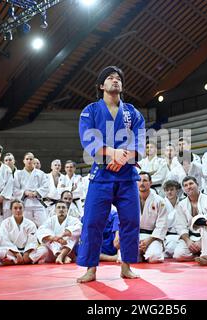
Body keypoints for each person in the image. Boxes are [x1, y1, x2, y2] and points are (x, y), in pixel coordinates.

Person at [77, 66, 145, 283]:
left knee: (131, 221)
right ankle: (90, 268)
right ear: (101, 85)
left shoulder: (132, 112)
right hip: (102, 174)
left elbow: (140, 139)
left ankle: (126, 266)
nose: (115, 81)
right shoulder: (90, 110)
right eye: (110, 78)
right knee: (93, 221)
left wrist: (124, 157)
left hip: (126, 175)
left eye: (118, 79)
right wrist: (113, 153)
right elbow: (88, 138)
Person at [173, 176, 207, 261]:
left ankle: (204, 253)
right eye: (186, 185)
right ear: (183, 189)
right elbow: (180, 226)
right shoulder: (181, 204)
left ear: (197, 185)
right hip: (190, 237)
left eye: (191, 184)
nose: (189, 187)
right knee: (178, 255)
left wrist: (202, 241)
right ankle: (198, 256)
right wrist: (188, 241)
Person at [0, 200, 48, 265]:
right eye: (15, 208)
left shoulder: (30, 224)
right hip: (12, 252)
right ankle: (22, 260)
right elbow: (3, 239)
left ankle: (16, 261)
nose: (18, 210)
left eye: (20, 208)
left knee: (44, 249)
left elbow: (32, 240)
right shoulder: (5, 223)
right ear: (11, 210)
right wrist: (16, 253)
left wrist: (27, 252)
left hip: (27, 252)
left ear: (23, 209)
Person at [133, 172, 168, 263]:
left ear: (151, 183)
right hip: (135, 235)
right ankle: (140, 254)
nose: (141, 183)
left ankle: (151, 251)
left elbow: (162, 224)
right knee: (124, 258)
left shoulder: (159, 200)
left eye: (145, 180)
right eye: (139, 180)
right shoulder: (131, 199)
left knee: (154, 257)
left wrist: (149, 240)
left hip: (152, 237)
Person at [13, 152, 49, 227]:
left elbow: (46, 186)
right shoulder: (18, 173)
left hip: (37, 203)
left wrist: (37, 192)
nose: (29, 161)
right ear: (24, 161)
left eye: (31, 159)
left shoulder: (40, 173)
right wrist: (24, 192)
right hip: (25, 203)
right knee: (26, 226)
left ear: (33, 161)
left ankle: (42, 239)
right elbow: (15, 188)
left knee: (43, 225)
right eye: (27, 159)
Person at [162, 180, 182, 258]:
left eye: (172, 190)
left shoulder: (182, 203)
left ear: (177, 190)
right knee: (171, 249)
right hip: (167, 235)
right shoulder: (161, 203)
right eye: (167, 190)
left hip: (181, 235)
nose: (169, 192)